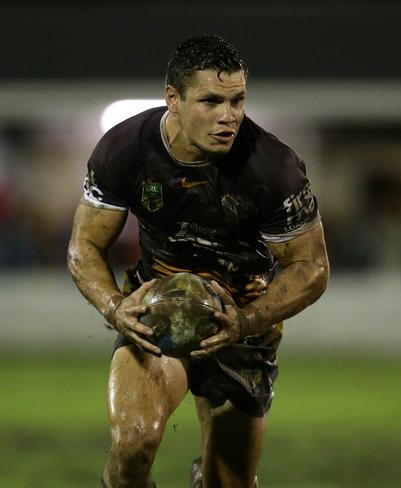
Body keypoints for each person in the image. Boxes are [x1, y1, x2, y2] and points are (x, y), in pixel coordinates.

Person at [67, 34, 329, 488]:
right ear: (173, 98)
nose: (228, 116)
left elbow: (312, 268)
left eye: (238, 100)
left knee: (228, 483)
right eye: (211, 101)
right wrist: (114, 306)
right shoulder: (125, 148)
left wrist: (246, 322)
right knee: (132, 447)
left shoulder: (273, 168)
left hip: (240, 322)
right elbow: (83, 246)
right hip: (156, 314)